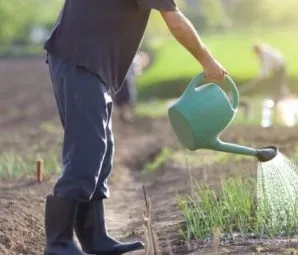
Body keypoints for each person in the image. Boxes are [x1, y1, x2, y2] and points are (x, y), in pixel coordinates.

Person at [42, 0, 227, 254]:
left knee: (101, 149)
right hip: (80, 59)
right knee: (88, 148)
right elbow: (175, 20)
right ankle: (58, 242)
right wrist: (208, 61)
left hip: (88, 61)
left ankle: (94, 237)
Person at [114, 51, 150, 123]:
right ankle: (125, 115)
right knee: (126, 100)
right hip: (126, 81)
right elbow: (136, 71)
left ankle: (124, 115)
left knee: (123, 100)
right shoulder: (134, 57)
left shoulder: (121, 55)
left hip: (118, 82)